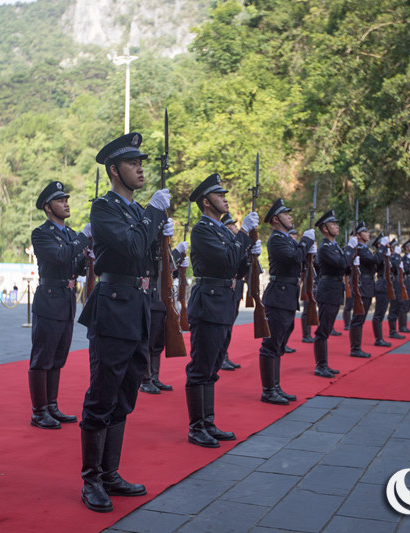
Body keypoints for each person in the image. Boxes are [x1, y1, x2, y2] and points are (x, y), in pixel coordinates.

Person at [77, 132, 168, 512]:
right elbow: (131, 247)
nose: (141, 168)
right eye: (133, 163)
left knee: (126, 395)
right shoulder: (105, 208)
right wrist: (154, 213)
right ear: (114, 170)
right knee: (102, 395)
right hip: (113, 308)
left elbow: (146, 257)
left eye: (141, 162)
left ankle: (110, 472)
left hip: (137, 308)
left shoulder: (133, 211)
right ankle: (91, 479)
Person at [185, 174, 255, 448]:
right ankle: (196, 426)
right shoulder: (202, 230)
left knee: (213, 366)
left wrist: (250, 252)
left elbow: (237, 267)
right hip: (208, 302)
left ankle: (208, 422)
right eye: (219, 195)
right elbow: (226, 259)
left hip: (224, 301)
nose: (225, 198)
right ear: (206, 202)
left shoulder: (224, 231)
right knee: (201, 367)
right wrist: (245, 236)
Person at [28, 181, 89, 429]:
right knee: (42, 356)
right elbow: (60, 256)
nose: (66, 203)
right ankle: (39, 411)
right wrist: (84, 240)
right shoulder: (41, 234)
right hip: (49, 297)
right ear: (47, 207)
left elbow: (76, 266)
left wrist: (87, 258)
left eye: (66, 199)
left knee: (58, 356)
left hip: (66, 299)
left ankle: (52, 406)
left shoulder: (72, 235)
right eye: (60, 200)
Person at [258, 199, 314, 405]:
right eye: (285, 214)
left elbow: (299, 259)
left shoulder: (287, 239)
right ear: (275, 219)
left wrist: (308, 250)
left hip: (288, 294)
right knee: (271, 344)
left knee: (279, 344)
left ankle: (276, 387)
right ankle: (268, 390)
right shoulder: (276, 240)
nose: (290, 217)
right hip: (279, 295)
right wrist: (306, 243)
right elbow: (293, 258)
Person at [138, 236, 186, 395]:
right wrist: (177, 254)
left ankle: (155, 376)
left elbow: (171, 272)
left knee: (158, 342)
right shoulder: (150, 246)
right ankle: (145, 379)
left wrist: (179, 263)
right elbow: (162, 266)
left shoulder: (165, 249)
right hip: (151, 298)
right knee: (149, 341)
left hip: (162, 300)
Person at [313, 210, 349, 377]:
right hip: (328, 289)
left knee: (327, 328)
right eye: (333, 224)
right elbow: (341, 263)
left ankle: (324, 364)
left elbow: (345, 267)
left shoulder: (335, 247)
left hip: (334, 289)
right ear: (325, 229)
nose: (337, 226)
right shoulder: (325, 248)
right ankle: (320, 365)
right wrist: (350, 251)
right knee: (323, 329)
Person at [348, 222, 385, 358]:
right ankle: (355, 348)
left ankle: (357, 347)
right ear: (358, 236)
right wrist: (381, 248)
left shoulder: (364, 248)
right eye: (365, 232)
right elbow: (375, 260)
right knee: (358, 317)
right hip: (363, 285)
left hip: (368, 285)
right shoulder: (361, 249)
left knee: (361, 318)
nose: (368, 234)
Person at [217, 212, 245, 371]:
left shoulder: (237, 243)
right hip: (228, 286)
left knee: (229, 326)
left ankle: (224, 355)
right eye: (232, 225)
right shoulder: (228, 243)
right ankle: (221, 357)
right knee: (224, 326)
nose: (235, 227)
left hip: (237, 287)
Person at [370, 234, 393, 347]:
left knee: (382, 312)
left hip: (386, 285)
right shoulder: (378, 256)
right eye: (385, 243)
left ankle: (379, 338)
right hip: (381, 285)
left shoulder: (386, 256)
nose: (388, 245)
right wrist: (382, 250)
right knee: (379, 313)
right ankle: (378, 339)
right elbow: (377, 262)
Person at [399, 239, 410, 334]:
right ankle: (402, 326)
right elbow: (405, 269)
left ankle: (404, 325)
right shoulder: (404, 258)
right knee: (404, 305)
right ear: (407, 248)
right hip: (405, 283)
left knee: (408, 304)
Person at [341, 231, 357, 331]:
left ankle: (352, 322)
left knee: (355, 302)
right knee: (349, 303)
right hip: (348, 278)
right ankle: (347, 323)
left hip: (354, 278)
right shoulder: (347, 252)